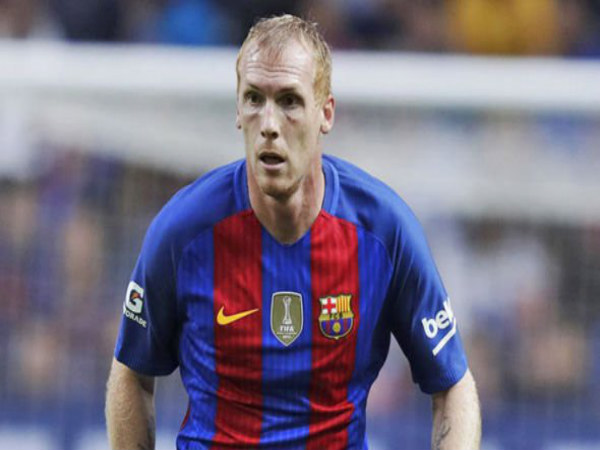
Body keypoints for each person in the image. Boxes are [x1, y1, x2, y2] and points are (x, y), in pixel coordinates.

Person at [105, 14, 481, 450]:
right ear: (237, 111)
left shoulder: (383, 230)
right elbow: (131, 373)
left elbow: (454, 387)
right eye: (254, 98)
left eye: (288, 101)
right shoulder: (183, 231)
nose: (269, 123)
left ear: (326, 113)